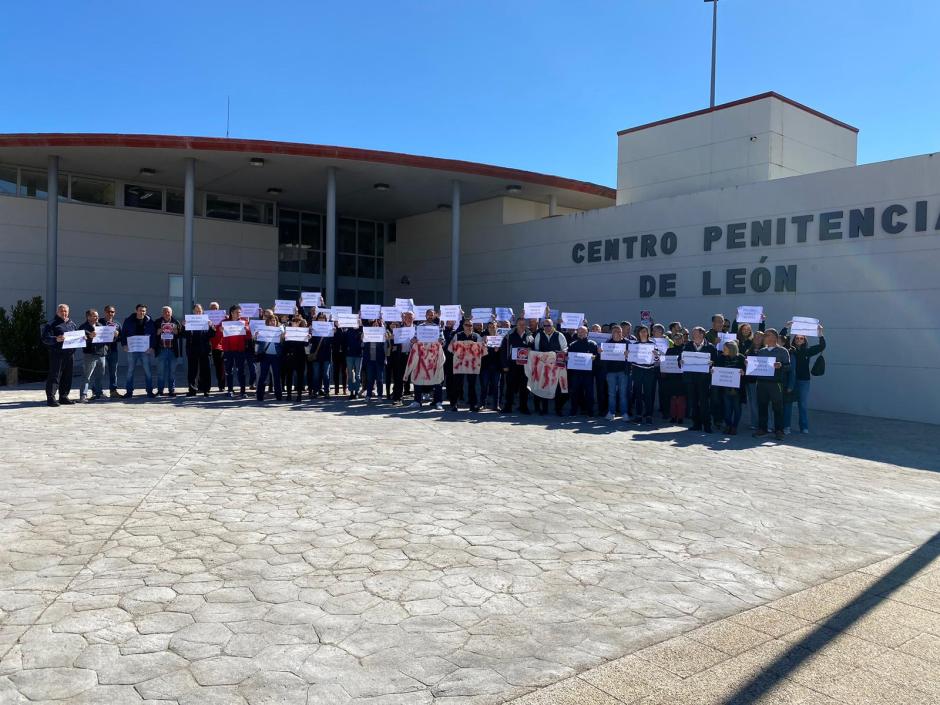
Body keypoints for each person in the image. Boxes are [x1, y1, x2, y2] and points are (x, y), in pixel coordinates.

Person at [781, 322, 826, 434]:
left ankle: (804, 427)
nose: (799, 340)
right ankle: (786, 426)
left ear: (804, 340)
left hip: (804, 381)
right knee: (787, 404)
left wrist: (820, 332)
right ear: (794, 340)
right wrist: (786, 327)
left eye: (801, 338)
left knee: (803, 404)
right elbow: (781, 339)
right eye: (797, 338)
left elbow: (822, 346)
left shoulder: (808, 350)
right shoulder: (789, 349)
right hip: (790, 381)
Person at [753, 328, 790, 441]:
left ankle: (779, 430)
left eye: (767, 335)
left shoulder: (783, 351)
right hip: (761, 383)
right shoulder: (761, 351)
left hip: (776, 383)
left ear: (774, 337)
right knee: (762, 406)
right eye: (764, 335)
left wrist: (781, 365)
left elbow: (788, 367)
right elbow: (756, 366)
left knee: (777, 408)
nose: (764, 337)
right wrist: (749, 363)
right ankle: (762, 429)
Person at [680, 326, 718, 432]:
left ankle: (707, 425)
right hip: (691, 379)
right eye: (693, 333)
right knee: (693, 402)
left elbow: (716, 362)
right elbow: (680, 358)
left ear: (702, 334)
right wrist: (681, 361)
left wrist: (712, 364)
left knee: (704, 402)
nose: (693, 335)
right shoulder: (687, 346)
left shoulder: (710, 347)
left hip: (704, 380)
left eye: (695, 333)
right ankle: (696, 424)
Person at [41, 303, 78, 406]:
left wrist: (82, 338)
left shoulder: (72, 324)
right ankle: (51, 398)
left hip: (70, 354)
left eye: (65, 311)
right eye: (61, 311)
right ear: (57, 312)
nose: (64, 313)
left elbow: (76, 335)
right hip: (57, 354)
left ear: (68, 312)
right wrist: (55, 339)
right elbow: (45, 338)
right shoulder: (51, 324)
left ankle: (63, 397)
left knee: (67, 376)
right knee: (55, 376)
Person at [532, 317, 568, 416]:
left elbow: (565, 348)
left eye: (549, 325)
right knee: (544, 387)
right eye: (545, 325)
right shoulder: (539, 335)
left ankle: (558, 409)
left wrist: (561, 353)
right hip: (544, 365)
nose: (547, 327)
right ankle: (544, 409)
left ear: (553, 326)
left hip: (557, 365)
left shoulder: (559, 335)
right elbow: (536, 349)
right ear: (543, 326)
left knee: (558, 389)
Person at [411, 309, 444, 410]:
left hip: (434, 358)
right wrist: (413, 340)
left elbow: (443, 341)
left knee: (437, 379)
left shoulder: (438, 327)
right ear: (425, 315)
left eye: (432, 315)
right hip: (421, 357)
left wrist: (441, 341)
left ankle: (438, 402)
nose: (430, 316)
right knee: (418, 377)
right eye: (428, 315)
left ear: (434, 316)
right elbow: (414, 340)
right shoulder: (419, 327)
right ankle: (417, 401)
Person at [121, 304, 156, 398]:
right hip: (132, 349)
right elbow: (123, 333)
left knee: (148, 371)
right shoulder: (128, 321)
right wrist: (124, 345)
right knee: (130, 371)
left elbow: (153, 335)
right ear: (136, 310)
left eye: (144, 311)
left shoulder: (150, 321)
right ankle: (129, 392)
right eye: (140, 310)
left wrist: (152, 347)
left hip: (145, 350)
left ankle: (149, 391)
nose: (142, 312)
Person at [501, 316, 534, 414]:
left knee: (524, 387)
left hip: (525, 367)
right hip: (512, 366)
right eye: (520, 324)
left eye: (523, 324)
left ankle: (523, 407)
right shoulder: (509, 335)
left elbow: (533, 350)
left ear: (526, 325)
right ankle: (508, 407)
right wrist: (505, 365)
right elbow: (504, 351)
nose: (522, 326)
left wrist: (530, 349)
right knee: (510, 387)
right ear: (516, 325)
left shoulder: (529, 336)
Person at [447, 320, 482, 411]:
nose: (469, 327)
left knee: (472, 385)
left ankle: (472, 405)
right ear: (463, 326)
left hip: (472, 364)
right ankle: (454, 404)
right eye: (467, 325)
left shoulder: (477, 336)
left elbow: (481, 349)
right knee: (457, 384)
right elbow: (450, 348)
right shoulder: (457, 335)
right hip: (460, 364)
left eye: (470, 325)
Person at [629, 325, 659, 424]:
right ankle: (638, 415)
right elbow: (631, 359)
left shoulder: (652, 344)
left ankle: (649, 416)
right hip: (637, 371)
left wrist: (656, 355)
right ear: (638, 333)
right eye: (641, 331)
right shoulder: (634, 344)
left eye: (645, 331)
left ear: (648, 333)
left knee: (648, 394)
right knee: (637, 393)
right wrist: (627, 355)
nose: (643, 333)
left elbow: (657, 360)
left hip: (649, 371)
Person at [183, 303, 213, 397]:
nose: (198, 312)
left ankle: (206, 390)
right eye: (196, 311)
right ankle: (192, 390)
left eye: (199, 311)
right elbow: (183, 335)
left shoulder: (207, 321)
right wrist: (184, 326)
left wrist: (211, 326)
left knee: (206, 370)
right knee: (192, 371)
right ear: (193, 311)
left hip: (205, 349)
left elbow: (212, 335)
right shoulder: (189, 321)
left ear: (202, 311)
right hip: (192, 349)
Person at [716, 340, 746, 434]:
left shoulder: (741, 358)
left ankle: (734, 426)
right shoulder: (721, 357)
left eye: (725, 349)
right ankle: (728, 425)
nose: (723, 350)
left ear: (731, 349)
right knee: (727, 408)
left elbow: (746, 370)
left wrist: (743, 372)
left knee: (737, 408)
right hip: (725, 388)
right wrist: (713, 371)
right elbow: (716, 368)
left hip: (738, 389)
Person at [567, 326, 598, 416]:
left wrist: (595, 357)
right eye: (579, 332)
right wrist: (567, 358)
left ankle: (590, 411)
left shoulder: (593, 344)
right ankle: (573, 410)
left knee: (589, 393)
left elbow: (597, 356)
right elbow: (568, 356)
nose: (580, 333)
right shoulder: (572, 344)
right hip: (576, 373)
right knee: (575, 393)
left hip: (588, 374)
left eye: (583, 332)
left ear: (587, 333)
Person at [77, 309, 107, 402]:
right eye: (94, 316)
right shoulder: (83, 327)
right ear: (88, 317)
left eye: (97, 315)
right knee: (87, 376)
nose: (97, 317)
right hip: (90, 354)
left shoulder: (100, 326)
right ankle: (83, 395)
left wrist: (113, 335)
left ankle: (98, 393)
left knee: (100, 375)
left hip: (101, 353)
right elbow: (80, 341)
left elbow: (106, 339)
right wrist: (89, 337)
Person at [254, 312, 284, 402]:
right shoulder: (263, 330)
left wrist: (282, 336)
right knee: (263, 376)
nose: (272, 322)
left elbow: (283, 343)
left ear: (276, 322)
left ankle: (278, 396)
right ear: (267, 322)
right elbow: (257, 343)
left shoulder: (280, 330)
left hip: (276, 356)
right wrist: (255, 337)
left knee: (276, 376)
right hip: (265, 356)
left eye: (274, 321)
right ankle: (260, 396)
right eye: (271, 321)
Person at [220, 305, 249, 398]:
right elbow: (218, 333)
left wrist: (247, 330)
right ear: (232, 313)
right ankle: (230, 390)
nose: (239, 314)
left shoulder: (244, 322)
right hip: (228, 350)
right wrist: (220, 330)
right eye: (237, 312)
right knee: (229, 371)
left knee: (241, 371)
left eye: (240, 312)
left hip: (240, 350)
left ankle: (243, 391)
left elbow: (248, 336)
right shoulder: (224, 322)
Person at [154, 306, 182, 396]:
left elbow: (180, 335)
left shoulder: (176, 322)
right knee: (160, 372)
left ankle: (171, 390)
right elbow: (154, 334)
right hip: (161, 350)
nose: (167, 313)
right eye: (165, 312)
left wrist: (176, 331)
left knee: (172, 372)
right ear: (162, 313)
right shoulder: (157, 322)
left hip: (172, 350)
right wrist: (159, 331)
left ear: (171, 313)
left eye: (168, 312)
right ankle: (160, 391)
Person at [603, 324, 629, 421]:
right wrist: (600, 351)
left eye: (619, 331)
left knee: (623, 394)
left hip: (623, 372)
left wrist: (628, 354)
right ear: (611, 333)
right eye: (615, 331)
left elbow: (633, 357)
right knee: (611, 394)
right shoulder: (607, 343)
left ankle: (624, 413)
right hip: (610, 372)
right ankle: (611, 412)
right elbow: (603, 357)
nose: (617, 333)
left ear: (622, 333)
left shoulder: (627, 343)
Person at [282, 315, 308, 401]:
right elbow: (285, 346)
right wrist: (284, 338)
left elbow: (306, 345)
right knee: (289, 376)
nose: (295, 323)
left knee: (300, 376)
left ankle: (299, 395)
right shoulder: (288, 331)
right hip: (290, 356)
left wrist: (307, 338)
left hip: (300, 356)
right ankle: (289, 394)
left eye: (297, 322)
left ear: (300, 323)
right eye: (294, 321)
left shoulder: (303, 331)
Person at [390, 311, 415, 404]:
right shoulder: (398, 329)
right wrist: (392, 337)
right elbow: (393, 342)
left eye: (410, 317)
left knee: (416, 377)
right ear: (404, 319)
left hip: (414, 356)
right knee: (399, 377)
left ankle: (417, 399)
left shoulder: (417, 329)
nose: (408, 319)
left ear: (414, 318)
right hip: (401, 356)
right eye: (406, 317)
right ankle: (397, 398)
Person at [308, 312, 334, 399]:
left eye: (323, 318)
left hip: (326, 355)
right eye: (320, 317)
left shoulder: (329, 328)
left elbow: (332, 342)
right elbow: (311, 342)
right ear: (317, 319)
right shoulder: (314, 328)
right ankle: (315, 391)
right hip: (316, 355)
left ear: (325, 319)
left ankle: (327, 392)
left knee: (326, 374)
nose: (321, 319)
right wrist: (310, 333)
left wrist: (334, 332)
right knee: (316, 374)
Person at [362, 319, 388, 401]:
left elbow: (386, 347)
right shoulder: (367, 333)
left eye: (377, 325)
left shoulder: (383, 334)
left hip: (379, 360)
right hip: (370, 360)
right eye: (374, 325)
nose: (375, 326)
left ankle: (380, 395)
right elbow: (362, 345)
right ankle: (368, 395)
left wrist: (386, 339)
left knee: (379, 379)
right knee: (370, 379)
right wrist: (363, 337)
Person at [100, 305, 122, 398]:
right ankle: (97, 391)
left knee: (113, 372)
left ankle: (113, 391)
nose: (110, 313)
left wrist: (117, 335)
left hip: (113, 350)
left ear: (114, 313)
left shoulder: (117, 324)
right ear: (105, 312)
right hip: (101, 350)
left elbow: (122, 337)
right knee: (100, 371)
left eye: (112, 312)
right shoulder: (99, 322)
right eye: (108, 311)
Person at [664, 332, 686, 423]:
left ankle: (680, 417)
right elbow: (666, 362)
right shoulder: (669, 350)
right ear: (673, 340)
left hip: (682, 377)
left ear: (683, 339)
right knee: (673, 397)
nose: (677, 340)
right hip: (672, 376)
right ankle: (673, 416)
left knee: (681, 398)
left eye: (679, 338)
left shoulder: (686, 350)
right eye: (675, 338)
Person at [480, 321, 502, 411]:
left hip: (497, 366)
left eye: (493, 327)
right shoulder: (484, 337)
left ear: (497, 327)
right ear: (487, 328)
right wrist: (483, 345)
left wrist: (499, 349)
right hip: (485, 366)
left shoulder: (501, 338)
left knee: (496, 386)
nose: (492, 328)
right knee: (484, 386)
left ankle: (496, 405)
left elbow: (504, 352)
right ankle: (482, 404)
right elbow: (480, 352)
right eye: (490, 327)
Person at [207, 302, 226, 392]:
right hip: (207, 345)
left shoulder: (223, 319)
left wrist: (227, 319)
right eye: (212, 308)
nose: (214, 310)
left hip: (219, 346)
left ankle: (221, 386)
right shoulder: (206, 318)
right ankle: (204, 386)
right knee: (205, 367)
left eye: (216, 308)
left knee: (220, 367)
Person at [344, 322, 363, 399]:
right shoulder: (348, 330)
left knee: (357, 374)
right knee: (350, 374)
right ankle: (351, 391)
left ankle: (357, 391)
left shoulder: (362, 330)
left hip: (359, 355)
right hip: (349, 355)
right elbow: (344, 341)